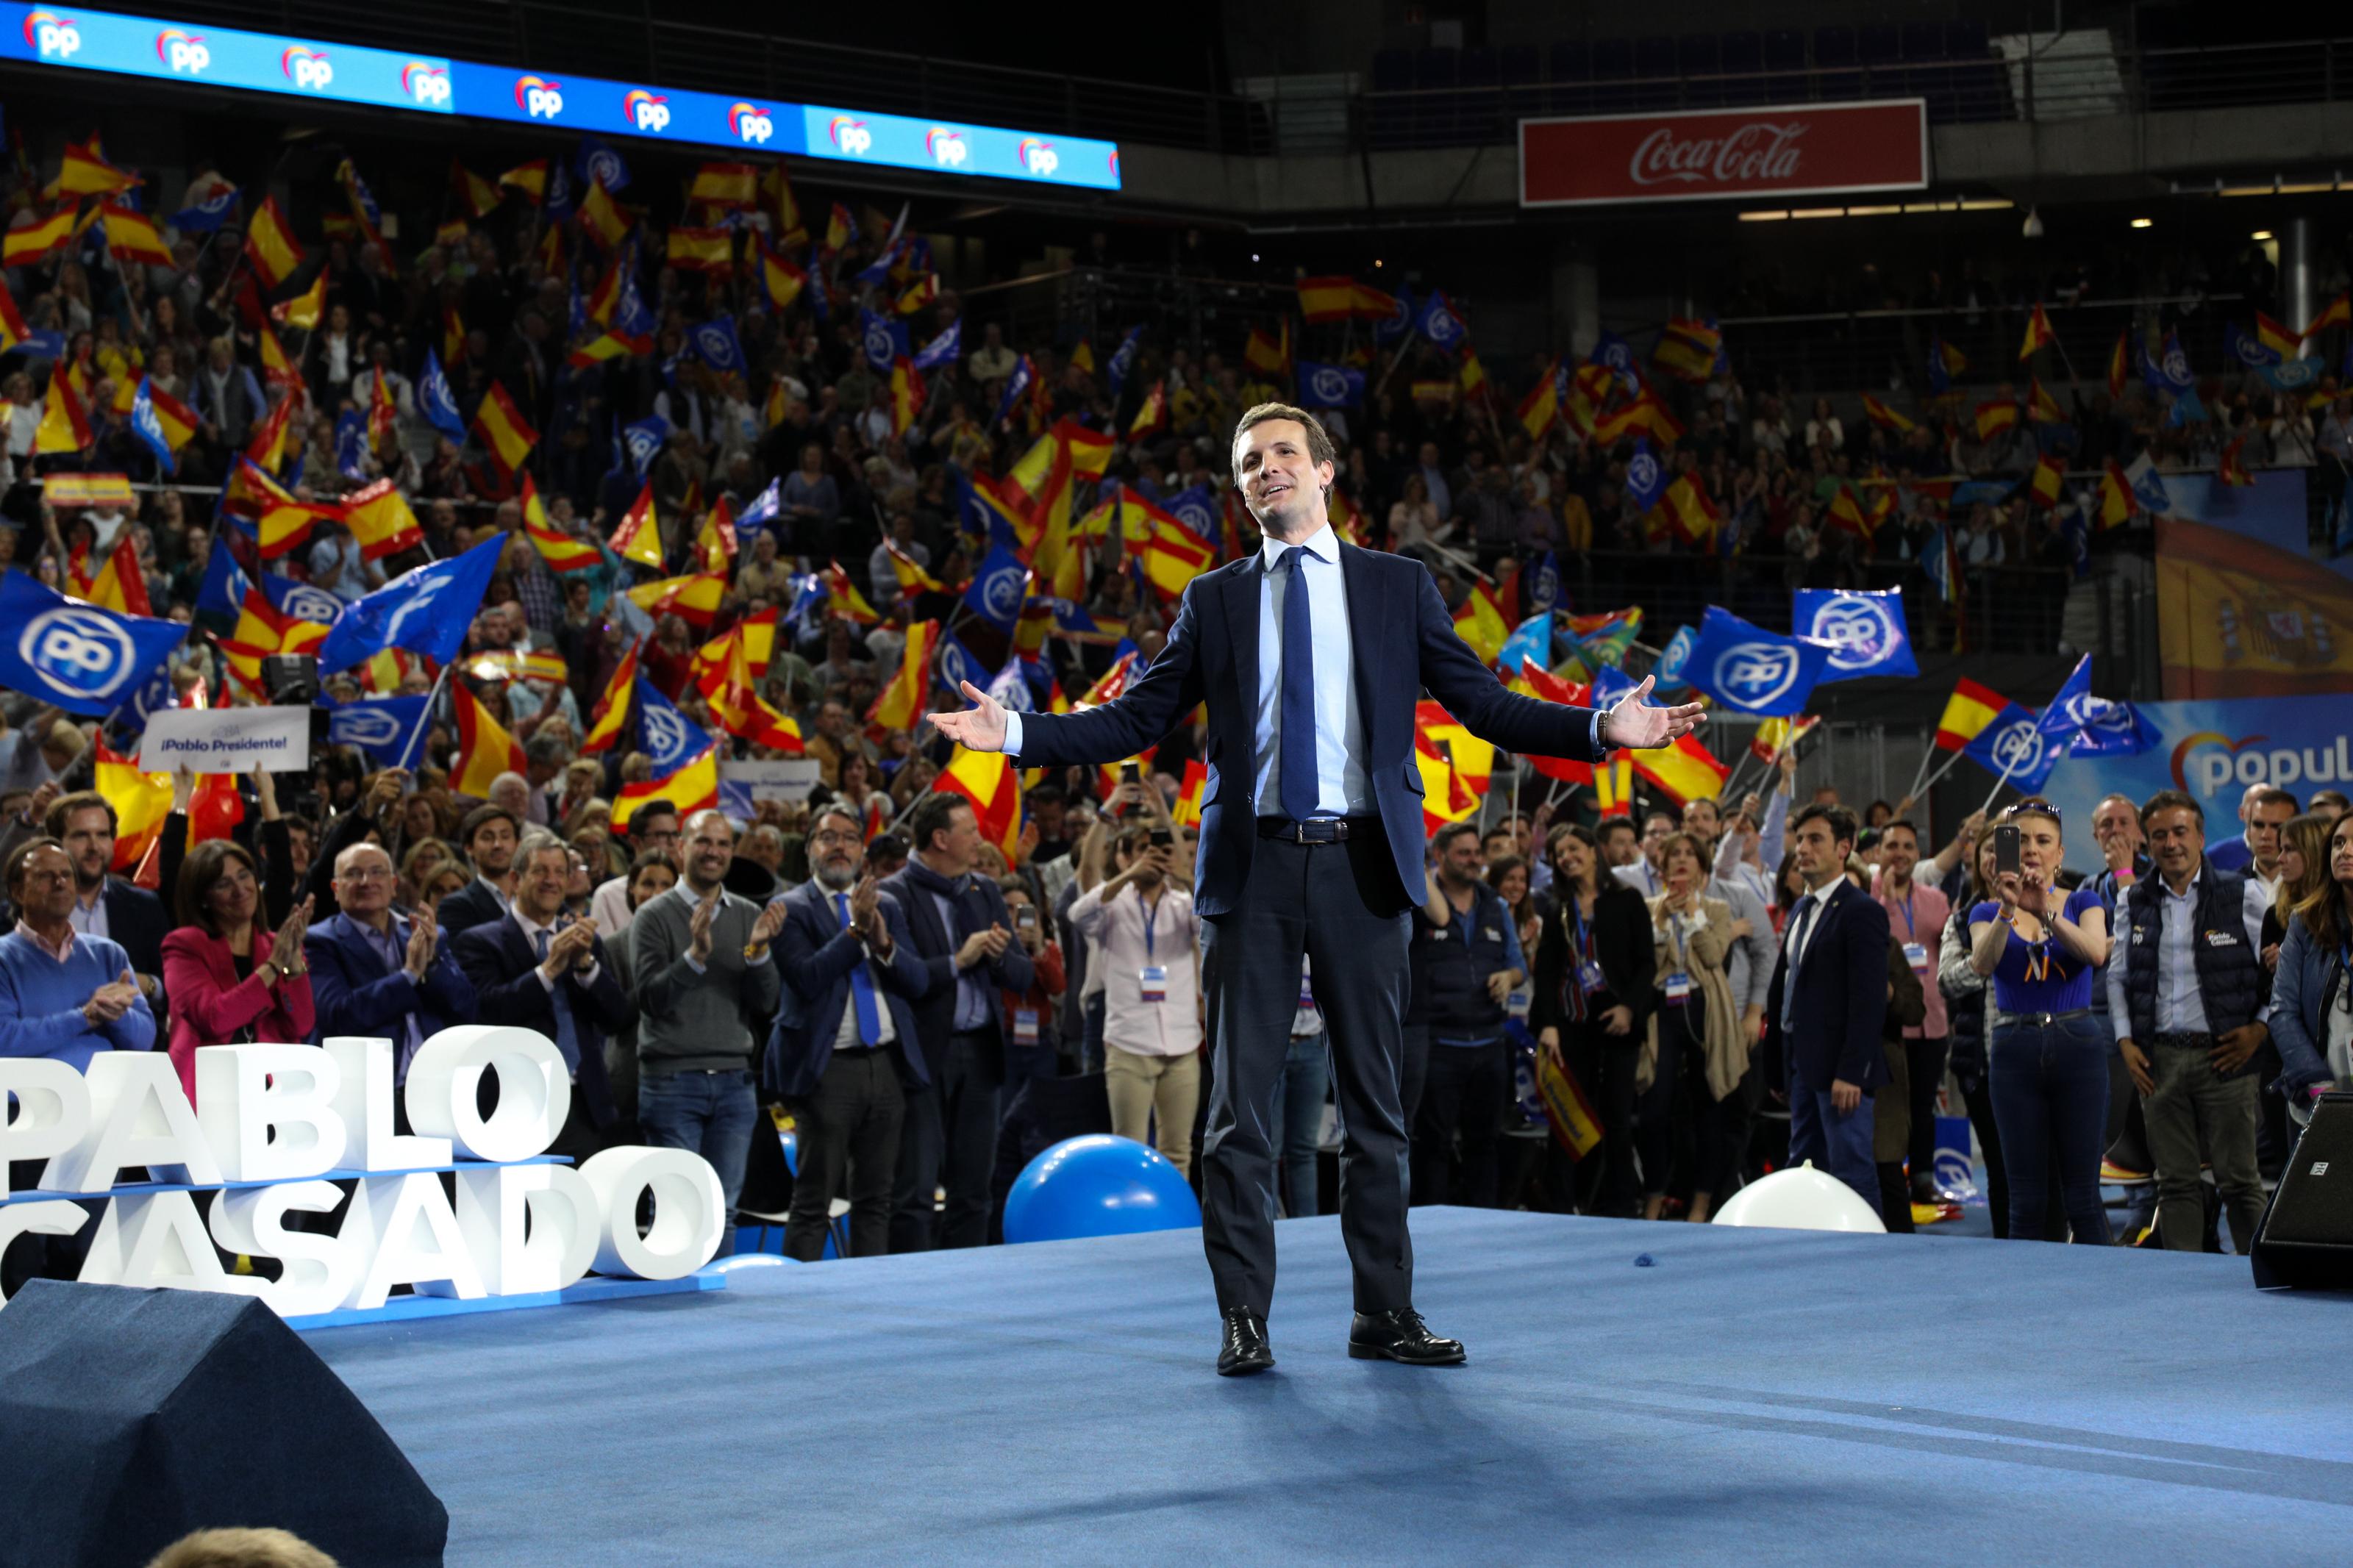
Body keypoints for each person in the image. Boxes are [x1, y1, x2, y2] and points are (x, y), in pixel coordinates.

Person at [932, 402, 1703, 1375]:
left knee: (1377, 1106)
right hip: (1250, 871)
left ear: (1327, 471)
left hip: (1364, 866)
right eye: (1249, 461)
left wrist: (1600, 729)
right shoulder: (1213, 600)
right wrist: (1011, 735)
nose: (1265, 470)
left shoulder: (1396, 586)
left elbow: (1482, 703)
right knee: (1237, 1114)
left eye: (1284, 454)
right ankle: (1244, 1319)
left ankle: (1384, 1311)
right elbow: (1134, 720)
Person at [2105, 790, 2269, 1253]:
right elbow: (2118, 977)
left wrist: (2259, 1029)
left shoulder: (2245, 893)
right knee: (2174, 1184)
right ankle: (2181, 1289)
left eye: (2180, 832)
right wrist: (2124, 1041)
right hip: (2158, 1062)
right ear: (2147, 843)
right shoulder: (2132, 899)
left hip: (2227, 1059)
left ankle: (2264, 1273)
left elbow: (2276, 975)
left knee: (2240, 1182)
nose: (2170, 843)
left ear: (2200, 836)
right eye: (2159, 835)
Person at [767, 803, 930, 1261]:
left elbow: (916, 981)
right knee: (814, 1199)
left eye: (850, 837)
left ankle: (871, 1302)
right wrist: (856, 931)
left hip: (886, 1067)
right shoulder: (790, 908)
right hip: (827, 1072)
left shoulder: (888, 906)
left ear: (862, 850)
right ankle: (798, 1305)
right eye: (828, 837)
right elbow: (807, 977)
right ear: (810, 850)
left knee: (876, 1199)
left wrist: (884, 942)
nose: (840, 845)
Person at [880, 793, 1034, 1251]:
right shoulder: (896, 895)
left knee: (973, 1190)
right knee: (917, 1191)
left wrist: (1000, 954)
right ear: (941, 838)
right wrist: (959, 959)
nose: (979, 840)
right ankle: (912, 1291)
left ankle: (969, 1290)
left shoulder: (982, 890)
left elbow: (1022, 975)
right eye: (969, 831)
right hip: (925, 1057)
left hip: (982, 1054)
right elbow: (907, 978)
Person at [0, 838, 154, 1295]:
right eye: (45, 875)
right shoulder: (4, 959)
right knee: (27, 1256)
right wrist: (85, 1017)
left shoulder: (108, 953)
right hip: (26, 1125)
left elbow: (143, 1039)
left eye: (65, 873)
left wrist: (119, 1014)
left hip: (101, 1121)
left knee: (94, 1254)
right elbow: (6, 1040)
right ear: (15, 889)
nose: (61, 881)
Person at [632, 809, 787, 1250]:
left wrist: (757, 953)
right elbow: (651, 999)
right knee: (675, 1204)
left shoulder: (747, 915)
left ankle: (715, 1314)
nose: (713, 852)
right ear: (681, 847)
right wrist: (695, 957)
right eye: (703, 842)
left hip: (735, 1083)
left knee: (724, 1209)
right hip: (671, 1083)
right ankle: (668, 1309)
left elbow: (766, 1002)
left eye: (722, 844)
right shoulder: (653, 916)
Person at [1969, 800, 2112, 1242]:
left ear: (2060, 853)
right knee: (2026, 1199)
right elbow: (1981, 965)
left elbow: (2095, 953)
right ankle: (2024, 1305)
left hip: (2077, 1042)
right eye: (2021, 839)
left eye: (2043, 840)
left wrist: (2045, 911)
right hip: (2015, 1045)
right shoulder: (1984, 912)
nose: (2032, 849)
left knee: (2083, 1196)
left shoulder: (2084, 900)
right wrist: (2010, 910)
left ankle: (2110, 1301)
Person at [451, 835, 627, 1163]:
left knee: (577, 1206)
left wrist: (586, 967)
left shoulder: (585, 941)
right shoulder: (479, 941)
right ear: (516, 880)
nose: (552, 881)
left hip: (580, 1101)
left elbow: (617, 1017)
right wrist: (547, 970)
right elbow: (486, 1011)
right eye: (541, 871)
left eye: (560, 872)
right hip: (512, 1099)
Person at [1763, 804, 1890, 1205]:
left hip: (1842, 1073)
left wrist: (1852, 1071)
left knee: (1851, 1172)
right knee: (1804, 1170)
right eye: (1800, 839)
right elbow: (1787, 990)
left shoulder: (1862, 910)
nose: (1802, 848)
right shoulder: (1803, 907)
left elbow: (1868, 1000)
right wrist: (1780, 1067)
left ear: (1844, 848)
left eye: (1815, 839)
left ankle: (1868, 1261)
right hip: (1803, 1065)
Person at [1531, 824, 1655, 1217]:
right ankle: (1564, 1204)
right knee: (1569, 1117)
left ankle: (1620, 1205)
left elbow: (1646, 963)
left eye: (1573, 849)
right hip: (1570, 1025)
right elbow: (1548, 972)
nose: (1567, 858)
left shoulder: (1628, 899)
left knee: (1617, 1118)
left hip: (1617, 1024)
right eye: (1558, 854)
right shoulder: (1557, 908)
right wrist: (1548, 1023)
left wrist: (1629, 1009)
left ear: (1592, 850)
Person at [1407, 822, 1527, 1209]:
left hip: (1491, 1044)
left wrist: (1508, 978)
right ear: (1439, 855)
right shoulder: (1420, 901)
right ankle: (1430, 1228)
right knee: (1434, 1146)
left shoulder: (1494, 903)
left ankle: (1486, 1224)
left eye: (1477, 852)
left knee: (1485, 1144)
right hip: (1439, 1045)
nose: (1475, 860)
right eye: (1464, 853)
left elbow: (1518, 964)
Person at [305, 842, 476, 1103]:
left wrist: (431, 965)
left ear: (394, 884)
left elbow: (466, 1006)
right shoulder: (319, 941)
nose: (366, 881)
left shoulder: (428, 933)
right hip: (366, 1096)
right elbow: (338, 1015)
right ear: (335, 889)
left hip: (436, 1088)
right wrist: (408, 976)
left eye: (377, 872)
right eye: (353, 874)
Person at [1638, 833, 1746, 1222]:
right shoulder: (1649, 907)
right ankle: (1654, 1196)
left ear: (1701, 866)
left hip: (1706, 1011)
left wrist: (1694, 917)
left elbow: (1714, 955)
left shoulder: (1717, 909)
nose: (1682, 861)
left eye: (1689, 855)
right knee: (1654, 1109)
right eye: (1674, 855)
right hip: (1662, 1012)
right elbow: (1647, 966)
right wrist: (1663, 921)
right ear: (1663, 866)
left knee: (1710, 1108)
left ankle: (1701, 1201)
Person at [160, 841, 316, 1105]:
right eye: (223, 884)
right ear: (203, 899)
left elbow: (302, 1025)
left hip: (273, 1091)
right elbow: (213, 1017)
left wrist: (294, 966)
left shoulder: (276, 944)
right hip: (207, 1091)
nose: (240, 890)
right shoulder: (184, 945)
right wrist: (274, 966)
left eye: (244, 876)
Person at [1937, 831, 2014, 1236]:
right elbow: (1947, 981)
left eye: (2005, 851)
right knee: (2000, 1172)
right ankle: (2008, 1254)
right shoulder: (1960, 919)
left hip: (2038, 1059)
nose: (1996, 859)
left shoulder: (2043, 910)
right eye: (1989, 851)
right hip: (1981, 1065)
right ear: (1976, 861)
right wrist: (1982, 962)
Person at [1874, 820, 1952, 1203]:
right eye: (1892, 846)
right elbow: (1873, 942)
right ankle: (1890, 1181)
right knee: (1891, 1107)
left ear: (1918, 855)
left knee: (1923, 1106)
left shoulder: (1936, 900)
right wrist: (1886, 901)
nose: (1900, 853)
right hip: (1890, 1023)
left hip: (1932, 1017)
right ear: (1879, 853)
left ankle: (1922, 1178)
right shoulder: (1868, 900)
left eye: (1907, 846)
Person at [44, 791, 169, 1016]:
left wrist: (147, 985)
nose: (94, 846)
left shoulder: (144, 905)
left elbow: (173, 989)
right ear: (55, 843)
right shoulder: (31, 909)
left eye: (102, 835)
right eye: (81, 835)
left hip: (134, 1043)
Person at [2268, 810, 2353, 1105]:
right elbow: (2282, 1011)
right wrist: (2315, 1082)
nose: (2346, 851)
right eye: (2339, 843)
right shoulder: (2305, 922)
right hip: (2322, 1095)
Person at [1270, 957, 1329, 1217]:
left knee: (1304, 1150)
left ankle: (1309, 1231)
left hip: (1313, 1045)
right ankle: (1266, 1231)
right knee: (1269, 1149)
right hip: (1273, 1045)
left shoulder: (1322, 928)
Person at [588, 800, 679, 936]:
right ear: (635, 841)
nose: (672, 843)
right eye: (662, 836)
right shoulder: (608, 896)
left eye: (675, 835)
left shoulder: (688, 892)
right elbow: (605, 953)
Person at [435, 803, 522, 937]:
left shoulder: (537, 897)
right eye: (487, 838)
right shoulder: (455, 907)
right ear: (469, 848)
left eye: (505, 836)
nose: (498, 845)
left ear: (518, 844)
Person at [2206, 783, 2295, 884]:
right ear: (2242, 813)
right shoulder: (2217, 857)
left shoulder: (2310, 883)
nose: (2265, 835)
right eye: (2258, 825)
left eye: (2276, 826)